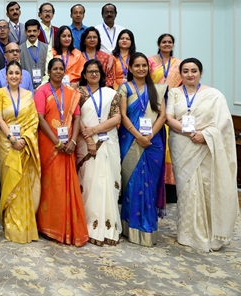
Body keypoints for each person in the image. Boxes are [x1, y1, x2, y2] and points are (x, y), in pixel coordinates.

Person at [166, 58, 238, 252]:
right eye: (186, 71)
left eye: (194, 71)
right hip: (182, 143)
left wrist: (205, 135)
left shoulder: (214, 95)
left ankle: (209, 232)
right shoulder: (174, 93)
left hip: (205, 144)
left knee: (205, 186)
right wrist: (190, 133)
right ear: (180, 74)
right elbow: (169, 117)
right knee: (186, 188)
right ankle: (187, 233)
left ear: (200, 73)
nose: (190, 74)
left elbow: (222, 122)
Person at [35, 58, 88, 247]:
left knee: (66, 184)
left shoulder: (72, 93)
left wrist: (73, 140)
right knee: (52, 185)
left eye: (61, 69)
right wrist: (57, 142)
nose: (58, 72)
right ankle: (50, 226)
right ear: (49, 72)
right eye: (54, 69)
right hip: (50, 145)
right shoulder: (41, 92)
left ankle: (67, 227)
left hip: (69, 146)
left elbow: (76, 118)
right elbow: (40, 119)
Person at [119, 52, 167, 246]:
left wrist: (149, 136)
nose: (140, 69)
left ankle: (147, 228)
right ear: (130, 68)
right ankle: (130, 228)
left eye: (144, 66)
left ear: (148, 68)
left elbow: (162, 116)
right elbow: (122, 115)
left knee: (150, 184)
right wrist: (138, 136)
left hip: (152, 143)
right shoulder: (125, 88)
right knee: (132, 184)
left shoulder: (157, 89)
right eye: (136, 66)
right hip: (130, 140)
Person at [75, 60, 122, 246]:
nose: (93, 74)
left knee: (107, 181)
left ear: (101, 74)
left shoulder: (111, 93)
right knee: (88, 182)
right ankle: (87, 225)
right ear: (84, 74)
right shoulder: (78, 93)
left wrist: (94, 130)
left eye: (96, 71)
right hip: (84, 142)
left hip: (108, 142)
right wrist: (87, 136)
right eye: (89, 71)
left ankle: (107, 227)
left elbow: (116, 117)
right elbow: (75, 117)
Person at [0, 61, 40, 243]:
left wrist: (23, 140)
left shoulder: (28, 95)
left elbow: (34, 121)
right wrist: (12, 139)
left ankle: (24, 224)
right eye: (10, 73)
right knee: (8, 180)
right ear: (6, 77)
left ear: (22, 77)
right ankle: (10, 223)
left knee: (22, 183)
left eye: (17, 73)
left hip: (24, 143)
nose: (13, 76)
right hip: (6, 143)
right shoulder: (0, 93)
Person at [149, 33, 182, 189]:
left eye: (170, 42)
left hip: (173, 104)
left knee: (172, 140)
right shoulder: (150, 62)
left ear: (173, 45)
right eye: (164, 42)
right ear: (159, 44)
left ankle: (170, 182)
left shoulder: (179, 64)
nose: (167, 44)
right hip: (154, 104)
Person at [19, 19, 50, 91]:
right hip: (24, 89)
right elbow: (18, 72)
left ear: (39, 32)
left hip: (43, 89)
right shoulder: (19, 49)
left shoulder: (47, 48)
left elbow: (49, 72)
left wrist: (40, 88)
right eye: (29, 31)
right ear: (25, 32)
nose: (32, 33)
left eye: (34, 31)